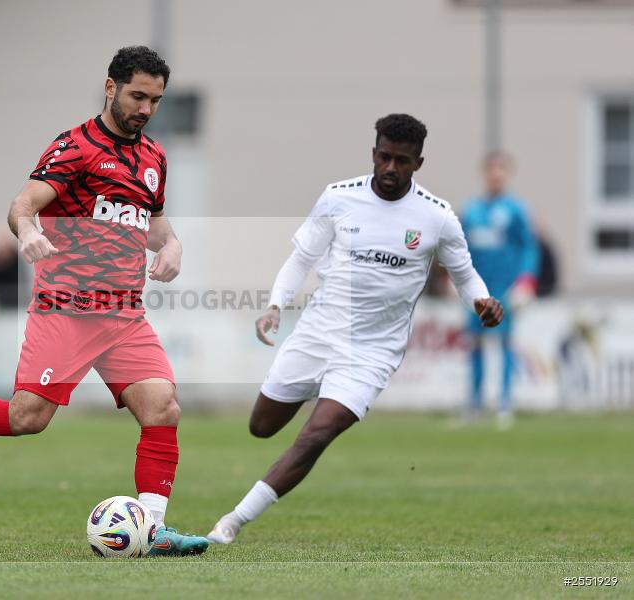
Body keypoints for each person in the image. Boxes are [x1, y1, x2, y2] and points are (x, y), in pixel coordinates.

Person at [0, 46, 209, 556]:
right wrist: (28, 233)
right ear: (110, 87)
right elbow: (22, 205)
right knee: (26, 417)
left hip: (123, 315)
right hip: (65, 310)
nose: (145, 109)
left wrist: (174, 246)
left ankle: (155, 528)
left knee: (163, 408)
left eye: (155, 100)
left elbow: (156, 226)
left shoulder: (153, 158)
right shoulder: (74, 147)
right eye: (138, 96)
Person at [206, 114, 503, 545]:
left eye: (401, 160)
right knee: (262, 426)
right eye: (384, 157)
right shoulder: (337, 198)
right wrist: (275, 306)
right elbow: (302, 259)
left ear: (418, 163)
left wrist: (481, 301)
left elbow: (465, 275)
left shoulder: (437, 217)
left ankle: (232, 522)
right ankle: (316, 386)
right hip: (317, 333)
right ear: (373, 153)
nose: (390, 168)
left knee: (317, 433)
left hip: (372, 352)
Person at [460, 151, 539, 429]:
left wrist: (526, 280)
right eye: (491, 169)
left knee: (505, 342)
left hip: (505, 287)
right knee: (475, 343)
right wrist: (453, 280)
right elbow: (460, 249)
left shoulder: (516, 209)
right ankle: (474, 404)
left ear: (507, 174)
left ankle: (505, 404)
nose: (495, 174)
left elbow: (529, 246)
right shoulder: (471, 209)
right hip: (476, 289)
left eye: (501, 169)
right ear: (484, 173)